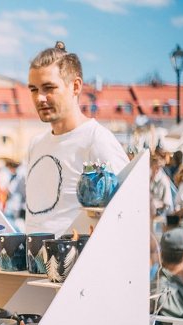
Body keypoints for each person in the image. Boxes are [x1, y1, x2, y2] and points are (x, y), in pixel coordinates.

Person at [25, 41, 129, 236]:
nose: (40, 98)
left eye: (49, 88)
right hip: (34, 263)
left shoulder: (96, 139)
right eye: (34, 89)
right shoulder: (36, 144)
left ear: (75, 86)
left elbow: (128, 209)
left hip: (79, 263)